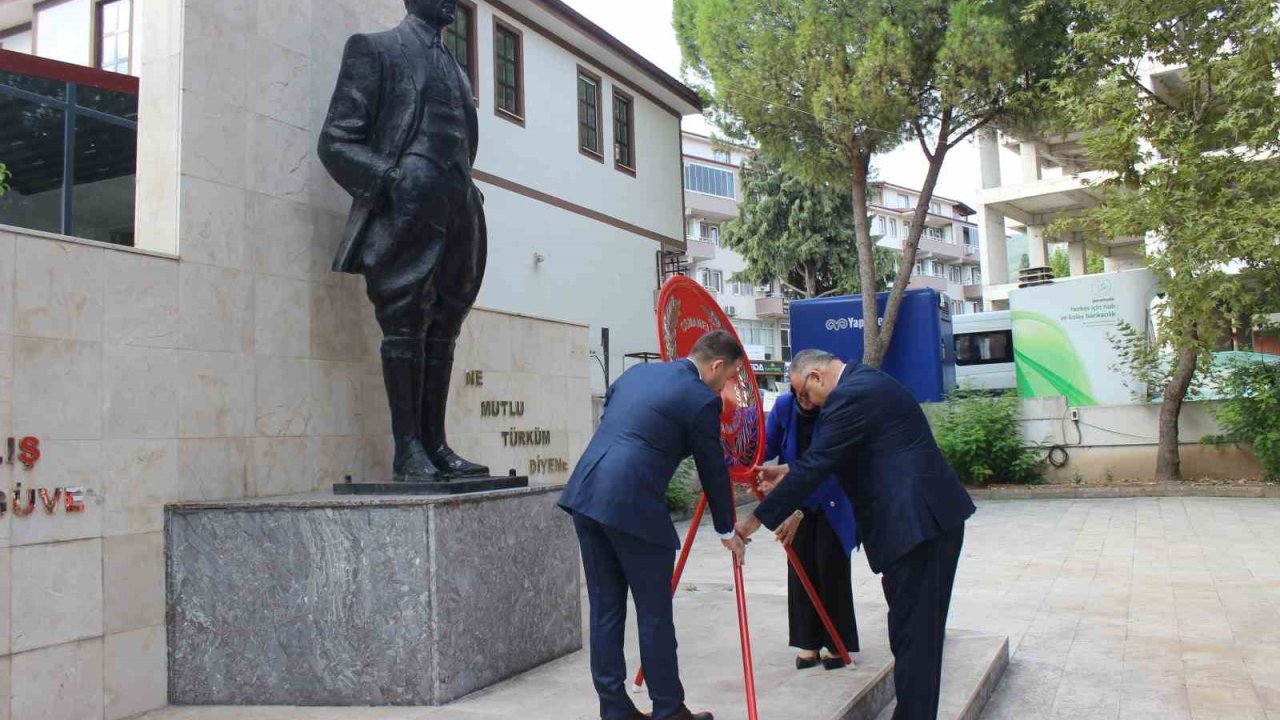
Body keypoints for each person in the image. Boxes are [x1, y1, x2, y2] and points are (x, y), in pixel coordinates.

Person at [736, 350, 976, 720]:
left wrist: (753, 521)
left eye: (804, 394)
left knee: (915, 637)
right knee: (911, 633)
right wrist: (789, 471)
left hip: (918, 526)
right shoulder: (864, 382)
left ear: (815, 376)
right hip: (924, 524)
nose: (806, 404)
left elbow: (820, 463)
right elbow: (837, 455)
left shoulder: (848, 397)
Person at [318, 0, 489, 482]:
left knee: (445, 324)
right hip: (408, 205)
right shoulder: (375, 50)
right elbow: (335, 140)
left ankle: (437, 444)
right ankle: (408, 450)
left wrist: (465, 192)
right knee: (404, 322)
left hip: (458, 205)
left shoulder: (457, 70)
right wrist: (393, 179)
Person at [559, 330, 750, 720]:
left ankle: (613, 709)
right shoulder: (701, 399)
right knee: (654, 612)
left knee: (605, 609)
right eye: (729, 374)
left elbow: (619, 416)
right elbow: (712, 467)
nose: (726, 383)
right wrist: (728, 530)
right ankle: (668, 709)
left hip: (586, 496)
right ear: (716, 365)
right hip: (632, 506)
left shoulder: (637, 375)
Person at [764, 391, 859, 670]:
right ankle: (808, 642)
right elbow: (767, 446)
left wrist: (800, 511)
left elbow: (830, 465)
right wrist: (751, 465)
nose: (804, 400)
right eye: (798, 395)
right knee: (800, 567)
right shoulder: (784, 407)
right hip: (795, 495)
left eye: (809, 394)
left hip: (832, 498)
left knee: (830, 568)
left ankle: (836, 641)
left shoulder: (836, 410)